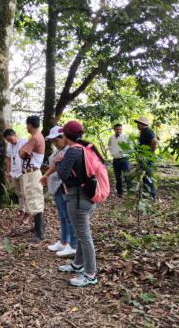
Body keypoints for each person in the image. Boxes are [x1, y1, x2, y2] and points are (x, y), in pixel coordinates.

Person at [53, 120, 102, 287]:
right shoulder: (85, 147)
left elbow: (63, 175)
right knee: (81, 234)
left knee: (84, 237)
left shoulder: (72, 152)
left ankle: (90, 274)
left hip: (78, 199)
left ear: (66, 136)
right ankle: (78, 263)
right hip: (87, 196)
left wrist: (59, 161)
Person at [40, 126, 77, 257]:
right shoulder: (60, 150)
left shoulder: (69, 150)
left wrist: (46, 175)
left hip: (64, 187)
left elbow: (58, 166)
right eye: (53, 141)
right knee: (62, 216)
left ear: (64, 137)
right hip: (56, 186)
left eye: (56, 140)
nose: (55, 143)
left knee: (68, 217)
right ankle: (64, 241)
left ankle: (73, 245)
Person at [19, 115, 46, 242]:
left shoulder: (35, 138)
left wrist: (21, 150)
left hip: (32, 173)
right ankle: (38, 228)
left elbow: (22, 153)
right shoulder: (37, 137)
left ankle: (40, 232)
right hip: (31, 173)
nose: (26, 127)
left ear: (30, 124)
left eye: (27, 124)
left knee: (35, 200)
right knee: (33, 199)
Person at [3, 128, 27, 214]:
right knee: (18, 193)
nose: (10, 141)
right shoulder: (9, 146)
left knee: (25, 192)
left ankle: (27, 211)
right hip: (14, 172)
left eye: (10, 139)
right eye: (8, 140)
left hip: (23, 171)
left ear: (15, 135)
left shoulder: (24, 142)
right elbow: (8, 160)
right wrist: (8, 172)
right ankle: (22, 209)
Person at [135, 116, 158, 199]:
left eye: (139, 123)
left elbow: (154, 141)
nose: (137, 125)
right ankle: (146, 193)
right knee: (145, 176)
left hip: (147, 159)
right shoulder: (143, 131)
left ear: (143, 124)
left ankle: (153, 195)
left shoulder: (148, 131)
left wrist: (150, 153)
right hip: (143, 158)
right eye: (137, 123)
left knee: (149, 176)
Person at [108, 123, 131, 197]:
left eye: (120, 129)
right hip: (116, 160)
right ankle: (119, 192)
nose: (119, 130)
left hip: (124, 159)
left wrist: (125, 151)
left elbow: (130, 147)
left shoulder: (125, 137)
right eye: (117, 129)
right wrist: (112, 153)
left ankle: (130, 192)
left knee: (127, 175)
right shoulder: (111, 137)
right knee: (118, 176)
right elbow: (109, 145)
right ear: (114, 129)